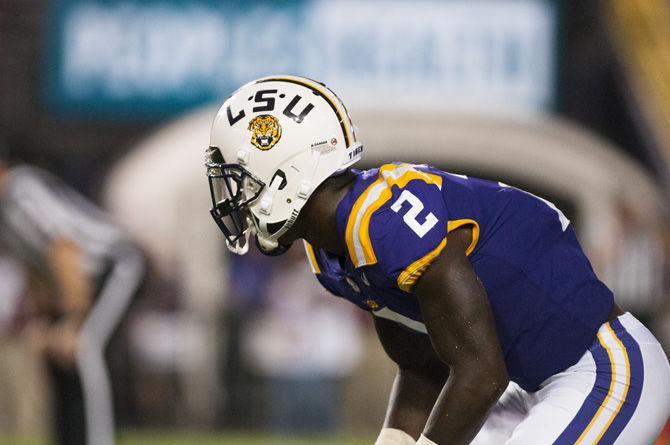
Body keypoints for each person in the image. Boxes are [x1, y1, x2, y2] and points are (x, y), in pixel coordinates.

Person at [204, 75, 670, 444]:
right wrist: (394, 439)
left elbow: (481, 373)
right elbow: (423, 366)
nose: (235, 200)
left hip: (602, 369)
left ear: (285, 173)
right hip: (524, 385)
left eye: (241, 181)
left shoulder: (383, 219)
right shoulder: (332, 255)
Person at [0, 142, 145, 445]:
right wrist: (43, 321)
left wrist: (73, 322)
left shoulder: (20, 192)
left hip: (114, 263)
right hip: (80, 280)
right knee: (59, 359)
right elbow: (36, 267)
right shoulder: (5, 209)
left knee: (85, 349)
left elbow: (64, 250)